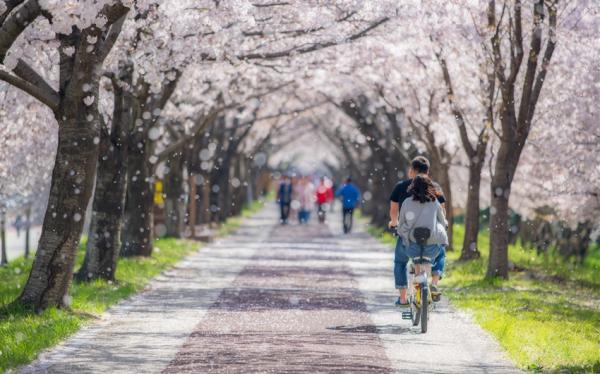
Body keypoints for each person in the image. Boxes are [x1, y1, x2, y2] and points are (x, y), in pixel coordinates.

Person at [389, 156, 447, 306]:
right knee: (440, 253)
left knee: (400, 261)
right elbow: (443, 216)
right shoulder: (435, 193)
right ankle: (434, 281)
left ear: (413, 171)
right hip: (431, 241)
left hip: (410, 242)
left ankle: (402, 298)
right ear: (428, 172)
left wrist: (395, 225)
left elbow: (396, 213)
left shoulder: (403, 192)